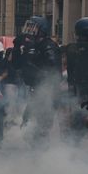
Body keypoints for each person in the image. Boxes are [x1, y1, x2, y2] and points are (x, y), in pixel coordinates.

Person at [15, 16, 61, 147]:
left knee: (40, 126)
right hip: (35, 91)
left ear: (41, 30)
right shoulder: (33, 45)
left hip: (46, 93)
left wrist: (34, 68)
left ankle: (43, 156)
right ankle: (38, 152)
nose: (29, 30)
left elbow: (53, 72)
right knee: (27, 122)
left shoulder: (48, 46)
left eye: (33, 27)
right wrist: (17, 47)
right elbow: (17, 65)